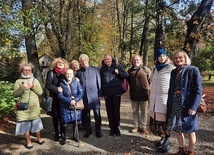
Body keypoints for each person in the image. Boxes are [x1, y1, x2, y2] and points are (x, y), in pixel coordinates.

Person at [166, 50, 203, 155]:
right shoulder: (174, 72)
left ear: (185, 58)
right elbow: (171, 89)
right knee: (177, 128)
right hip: (175, 104)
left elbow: (198, 91)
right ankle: (182, 149)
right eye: (176, 58)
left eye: (180, 58)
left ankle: (191, 151)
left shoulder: (193, 70)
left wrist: (194, 107)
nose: (178, 60)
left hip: (188, 104)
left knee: (190, 130)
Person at [149, 49, 175, 153]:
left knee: (165, 121)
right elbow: (151, 81)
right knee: (157, 121)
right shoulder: (154, 68)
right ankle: (162, 138)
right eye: (159, 56)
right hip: (154, 99)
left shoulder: (171, 68)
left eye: (164, 56)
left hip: (165, 98)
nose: (162, 58)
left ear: (166, 57)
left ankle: (167, 142)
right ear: (157, 57)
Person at [13, 62, 44, 149]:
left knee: (36, 123)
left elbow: (40, 92)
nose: (27, 72)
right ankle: (28, 141)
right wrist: (22, 88)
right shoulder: (18, 81)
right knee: (24, 124)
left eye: (29, 70)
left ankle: (39, 138)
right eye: (25, 70)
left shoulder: (35, 80)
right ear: (22, 70)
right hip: (23, 107)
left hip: (34, 107)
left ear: (32, 71)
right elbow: (15, 94)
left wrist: (33, 86)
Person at [100, 54, 128, 136]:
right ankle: (112, 129)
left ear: (111, 60)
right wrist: (102, 92)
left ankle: (117, 128)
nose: (107, 61)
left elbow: (126, 75)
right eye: (105, 60)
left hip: (116, 93)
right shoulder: (102, 69)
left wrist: (118, 72)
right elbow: (101, 81)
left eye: (108, 59)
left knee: (116, 111)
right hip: (107, 94)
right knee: (109, 112)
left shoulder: (118, 66)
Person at [76, 54, 102, 138]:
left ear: (88, 60)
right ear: (80, 62)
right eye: (82, 61)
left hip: (94, 95)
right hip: (84, 96)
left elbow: (99, 82)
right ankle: (88, 130)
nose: (84, 62)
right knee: (86, 115)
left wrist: (100, 93)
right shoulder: (79, 72)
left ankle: (98, 130)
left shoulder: (95, 70)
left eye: (85, 60)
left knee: (97, 114)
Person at [45, 57, 69, 141]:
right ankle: (56, 133)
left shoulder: (66, 73)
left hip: (65, 98)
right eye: (59, 62)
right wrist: (56, 89)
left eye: (62, 63)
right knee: (55, 117)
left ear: (64, 64)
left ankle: (63, 132)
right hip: (55, 98)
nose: (60, 64)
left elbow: (70, 81)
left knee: (64, 115)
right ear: (55, 63)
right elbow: (48, 85)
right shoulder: (51, 73)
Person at [58, 69, 84, 145]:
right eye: (67, 74)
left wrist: (75, 100)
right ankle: (64, 137)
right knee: (64, 123)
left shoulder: (77, 82)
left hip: (75, 105)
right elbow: (60, 96)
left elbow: (81, 93)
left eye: (70, 74)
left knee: (76, 122)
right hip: (65, 106)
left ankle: (74, 136)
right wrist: (69, 101)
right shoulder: (61, 84)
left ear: (73, 75)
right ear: (65, 75)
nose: (69, 75)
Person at [127, 54, 150, 135]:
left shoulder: (146, 70)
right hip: (134, 94)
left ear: (141, 61)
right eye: (134, 60)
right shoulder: (130, 71)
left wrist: (147, 89)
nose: (136, 61)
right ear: (132, 61)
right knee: (135, 111)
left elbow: (150, 80)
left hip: (144, 95)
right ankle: (136, 126)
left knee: (144, 112)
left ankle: (144, 127)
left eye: (138, 60)